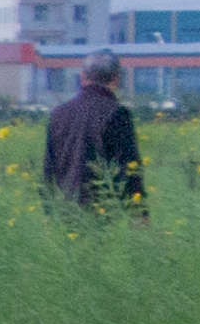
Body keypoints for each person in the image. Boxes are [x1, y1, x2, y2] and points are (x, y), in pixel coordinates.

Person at [42, 52, 146, 214]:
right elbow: (129, 168)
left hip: (65, 215)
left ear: (83, 77)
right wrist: (140, 213)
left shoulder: (58, 114)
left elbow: (48, 171)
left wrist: (48, 213)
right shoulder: (118, 113)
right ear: (116, 79)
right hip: (105, 216)